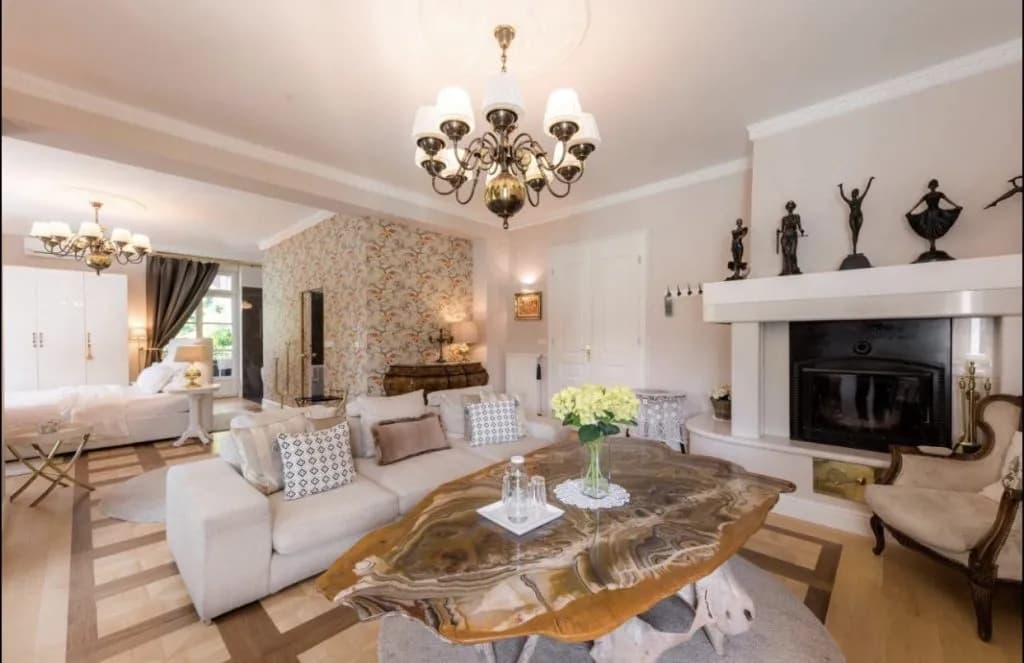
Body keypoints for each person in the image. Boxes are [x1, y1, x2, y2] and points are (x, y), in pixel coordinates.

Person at [838, 176, 874, 254]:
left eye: (854, 193)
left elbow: (866, 190)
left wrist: (870, 180)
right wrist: (841, 188)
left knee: (857, 233)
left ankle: (855, 250)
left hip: (859, 217)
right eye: (853, 193)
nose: (853, 194)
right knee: (854, 233)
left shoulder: (860, 200)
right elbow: (843, 197)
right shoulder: (850, 202)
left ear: (856, 194)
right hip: (852, 218)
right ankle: (854, 249)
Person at [776, 201, 806, 275]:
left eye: (791, 207)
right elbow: (783, 230)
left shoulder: (797, 217)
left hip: (793, 236)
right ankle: (786, 270)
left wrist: (802, 231)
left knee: (792, 253)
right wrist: (779, 231)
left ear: (793, 208)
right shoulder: (784, 219)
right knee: (786, 253)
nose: (790, 208)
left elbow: (800, 227)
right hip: (785, 237)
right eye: (789, 207)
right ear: (787, 208)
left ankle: (795, 269)